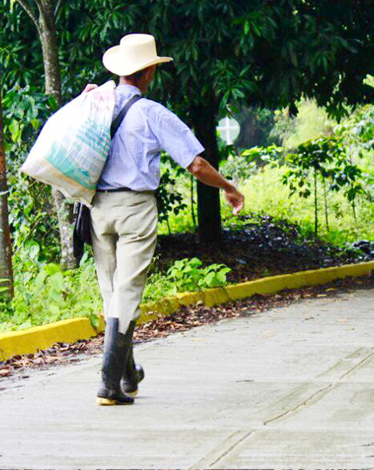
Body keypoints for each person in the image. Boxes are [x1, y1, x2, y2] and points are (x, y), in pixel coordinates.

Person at [85, 34, 244, 406]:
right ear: (149, 72)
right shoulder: (151, 113)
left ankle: (127, 376)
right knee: (127, 293)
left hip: (96, 209)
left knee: (112, 293)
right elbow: (196, 165)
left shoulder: (95, 104)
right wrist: (228, 186)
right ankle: (108, 384)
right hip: (134, 208)